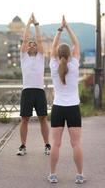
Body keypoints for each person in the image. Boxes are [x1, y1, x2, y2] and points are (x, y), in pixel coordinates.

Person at [48, 16, 86, 184]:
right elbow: (77, 43)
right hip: (72, 108)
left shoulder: (54, 66)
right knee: (76, 144)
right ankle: (79, 175)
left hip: (58, 108)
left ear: (57, 54)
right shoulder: (75, 64)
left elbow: (53, 47)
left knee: (55, 144)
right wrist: (68, 27)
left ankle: (53, 175)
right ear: (71, 53)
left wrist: (59, 29)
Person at [17, 13, 51, 156]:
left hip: (39, 91)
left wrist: (36, 25)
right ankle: (23, 146)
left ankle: (47, 145)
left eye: (34, 44)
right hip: (27, 91)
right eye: (29, 44)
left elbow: (39, 39)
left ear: (37, 48)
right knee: (24, 119)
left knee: (43, 118)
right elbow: (24, 39)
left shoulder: (41, 57)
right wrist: (28, 24)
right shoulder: (23, 57)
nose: (31, 44)